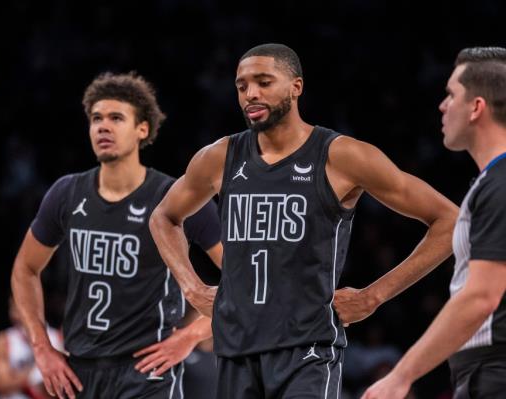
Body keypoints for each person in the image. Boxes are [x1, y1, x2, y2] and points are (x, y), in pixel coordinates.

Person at [149, 43, 458, 398]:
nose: (251, 93)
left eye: (264, 82)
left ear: (296, 87)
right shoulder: (219, 156)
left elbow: (449, 221)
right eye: (242, 85)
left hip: (307, 348)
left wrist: (374, 296)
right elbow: (164, 216)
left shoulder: (342, 155)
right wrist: (191, 286)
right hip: (235, 348)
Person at [11, 71, 222, 399]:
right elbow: (25, 269)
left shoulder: (176, 197)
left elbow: (246, 276)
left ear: (143, 129)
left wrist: (191, 335)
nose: (102, 126)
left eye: (115, 118)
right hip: (79, 369)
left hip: (146, 371)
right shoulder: (66, 193)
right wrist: (42, 346)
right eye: (96, 118)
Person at [362, 47, 506, 399]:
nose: (443, 106)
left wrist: (400, 376)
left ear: (476, 108)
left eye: (451, 95)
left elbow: (481, 296)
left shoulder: (500, 184)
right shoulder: (491, 182)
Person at [0, 298, 63, 399]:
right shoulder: (3, 340)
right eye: (14, 308)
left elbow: (63, 383)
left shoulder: (57, 337)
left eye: (20, 308)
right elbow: (2, 384)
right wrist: (36, 374)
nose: (16, 314)